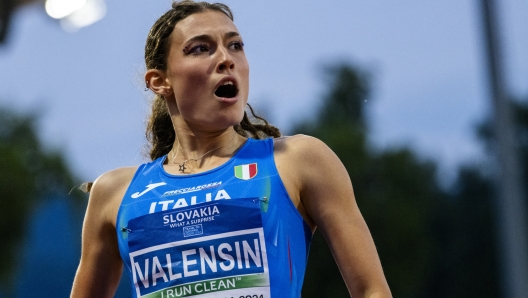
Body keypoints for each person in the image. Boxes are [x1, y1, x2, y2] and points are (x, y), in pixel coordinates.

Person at [71, 1, 391, 297]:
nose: (226, 59)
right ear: (160, 81)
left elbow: (372, 291)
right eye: (200, 48)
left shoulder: (298, 161)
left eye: (235, 45)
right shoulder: (114, 193)